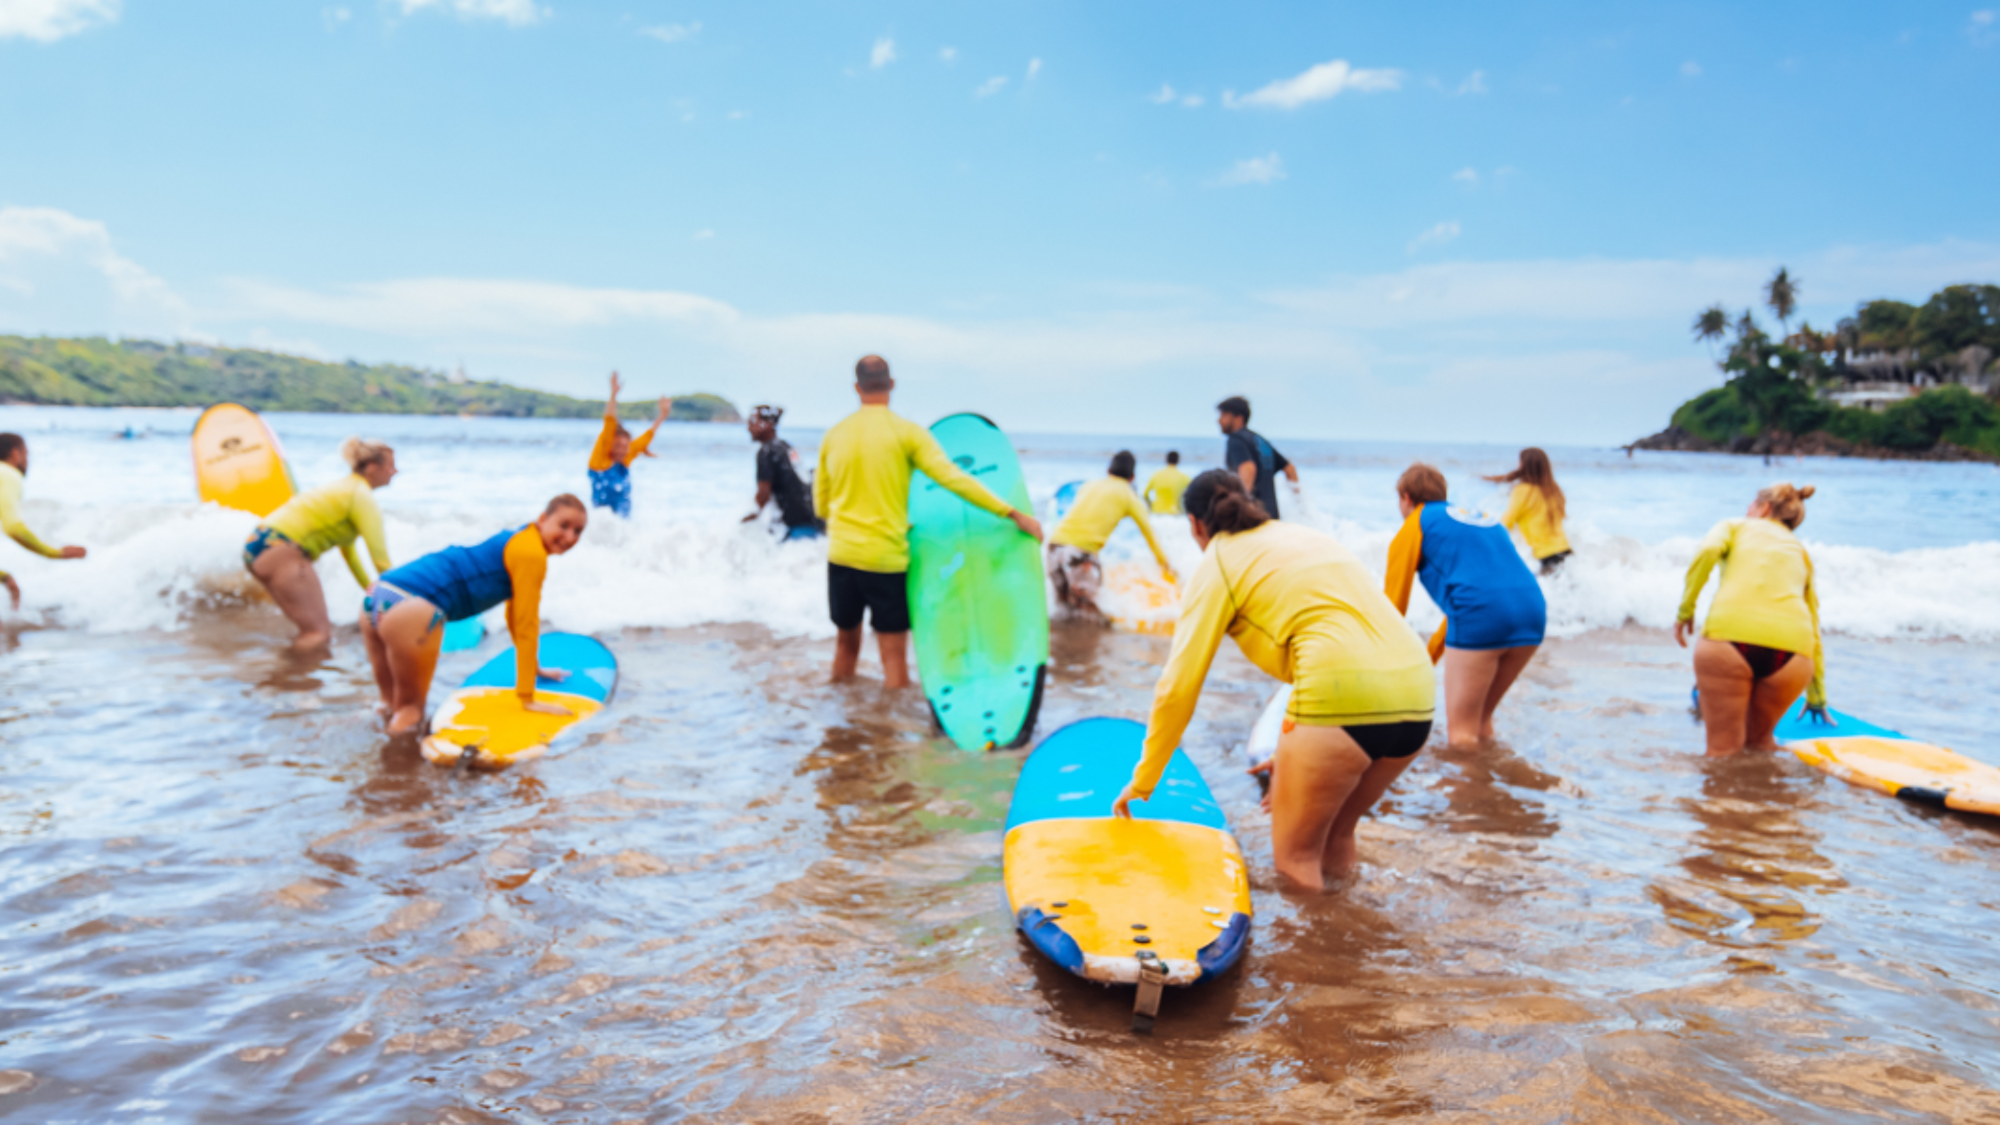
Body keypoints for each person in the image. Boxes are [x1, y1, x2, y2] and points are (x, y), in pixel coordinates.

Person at [1111, 470, 1434, 890]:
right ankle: (1353, 947)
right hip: (1417, 695)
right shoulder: (1302, 536)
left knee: (1295, 863)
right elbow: (1344, 638)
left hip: (1340, 700)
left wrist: (1145, 778)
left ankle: (1312, 957)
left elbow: (1178, 686)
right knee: (1337, 834)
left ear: (1195, 525)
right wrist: (1303, 747)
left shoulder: (1218, 563)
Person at [814, 354, 1043, 687]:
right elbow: (953, 478)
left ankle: (842, 728)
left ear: (856, 387)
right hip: (885, 560)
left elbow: (821, 505)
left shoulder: (835, 435)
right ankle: (889, 733)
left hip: (843, 557)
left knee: (845, 645)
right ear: (891, 384)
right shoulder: (907, 433)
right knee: (893, 655)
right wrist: (1012, 512)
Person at [361, 494, 587, 735]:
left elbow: (515, 617)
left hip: (377, 594)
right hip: (412, 608)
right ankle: (396, 770)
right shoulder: (532, 553)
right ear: (542, 519)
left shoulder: (517, 540)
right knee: (409, 712)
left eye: (578, 531)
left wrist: (534, 669)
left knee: (389, 705)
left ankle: (369, 756)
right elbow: (526, 622)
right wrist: (527, 698)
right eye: (564, 525)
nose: (570, 537)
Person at [1383, 463, 1547, 750]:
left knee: (1461, 735)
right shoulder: (1481, 518)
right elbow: (1476, 591)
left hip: (1481, 616)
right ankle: (1496, 786)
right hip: (1532, 612)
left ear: (1406, 498)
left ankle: (1471, 794)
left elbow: (1392, 607)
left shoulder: (1416, 522)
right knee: (1481, 722)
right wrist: (1428, 659)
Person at [1675, 483, 1825, 756]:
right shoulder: (1800, 551)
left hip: (1729, 640)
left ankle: (1722, 799)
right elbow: (1813, 619)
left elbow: (1707, 551)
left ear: (1764, 507)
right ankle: (1763, 795)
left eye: (1750, 505)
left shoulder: (1734, 525)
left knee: (1722, 751)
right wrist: (1816, 695)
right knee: (1760, 746)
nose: (1746, 510)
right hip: (1793, 655)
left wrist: (1686, 610)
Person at [243, 437, 396, 650]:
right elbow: (381, 561)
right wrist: (404, 598)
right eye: (391, 465)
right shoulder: (361, 496)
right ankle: (290, 681)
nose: (395, 471)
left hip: (259, 544)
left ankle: (281, 678)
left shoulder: (346, 489)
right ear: (372, 468)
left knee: (312, 631)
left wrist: (370, 591)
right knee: (317, 635)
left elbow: (349, 554)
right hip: (281, 548)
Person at [1046, 450, 1177, 623]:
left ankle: (1059, 646)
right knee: (1089, 616)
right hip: (1080, 553)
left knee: (1064, 608)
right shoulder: (1129, 496)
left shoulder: (1089, 485)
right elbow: (1150, 535)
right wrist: (1165, 565)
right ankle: (1090, 647)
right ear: (1132, 477)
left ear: (1109, 471)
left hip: (1054, 547)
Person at [0, 432, 88, 610]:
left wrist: (4, 577)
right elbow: (13, 528)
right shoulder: (8, 475)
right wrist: (55, 553)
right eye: (27, 454)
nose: (28, 461)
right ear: (15, 454)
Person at [587, 371, 671, 518]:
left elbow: (648, 436)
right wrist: (613, 395)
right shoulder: (599, 459)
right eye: (618, 446)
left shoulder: (627, 456)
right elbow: (609, 421)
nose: (622, 451)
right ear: (609, 444)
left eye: (625, 447)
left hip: (623, 525)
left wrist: (662, 415)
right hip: (601, 522)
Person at [742, 404, 823, 539]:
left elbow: (763, 495)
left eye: (752, 421)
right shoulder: (786, 446)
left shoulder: (766, 452)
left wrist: (750, 517)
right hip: (814, 518)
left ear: (766, 424)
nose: (748, 427)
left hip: (799, 523)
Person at [1489, 447, 1572, 575]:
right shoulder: (1553, 489)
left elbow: (1507, 522)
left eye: (1520, 462)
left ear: (1525, 465)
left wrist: (1489, 543)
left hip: (1547, 555)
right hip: (1565, 552)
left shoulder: (1523, 490)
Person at [1217, 396, 1299, 519]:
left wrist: (1240, 507)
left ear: (1238, 417)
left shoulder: (1236, 440)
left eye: (1224, 415)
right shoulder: (1259, 440)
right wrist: (1300, 504)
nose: (1219, 420)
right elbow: (1290, 469)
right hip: (1272, 516)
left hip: (1253, 517)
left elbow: (1248, 468)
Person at [1143, 451, 1191, 515]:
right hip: (1175, 514)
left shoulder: (1156, 475)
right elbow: (1193, 494)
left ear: (1166, 459)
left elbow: (1145, 494)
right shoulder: (1184, 477)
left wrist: (1151, 506)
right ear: (1178, 460)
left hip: (1157, 512)